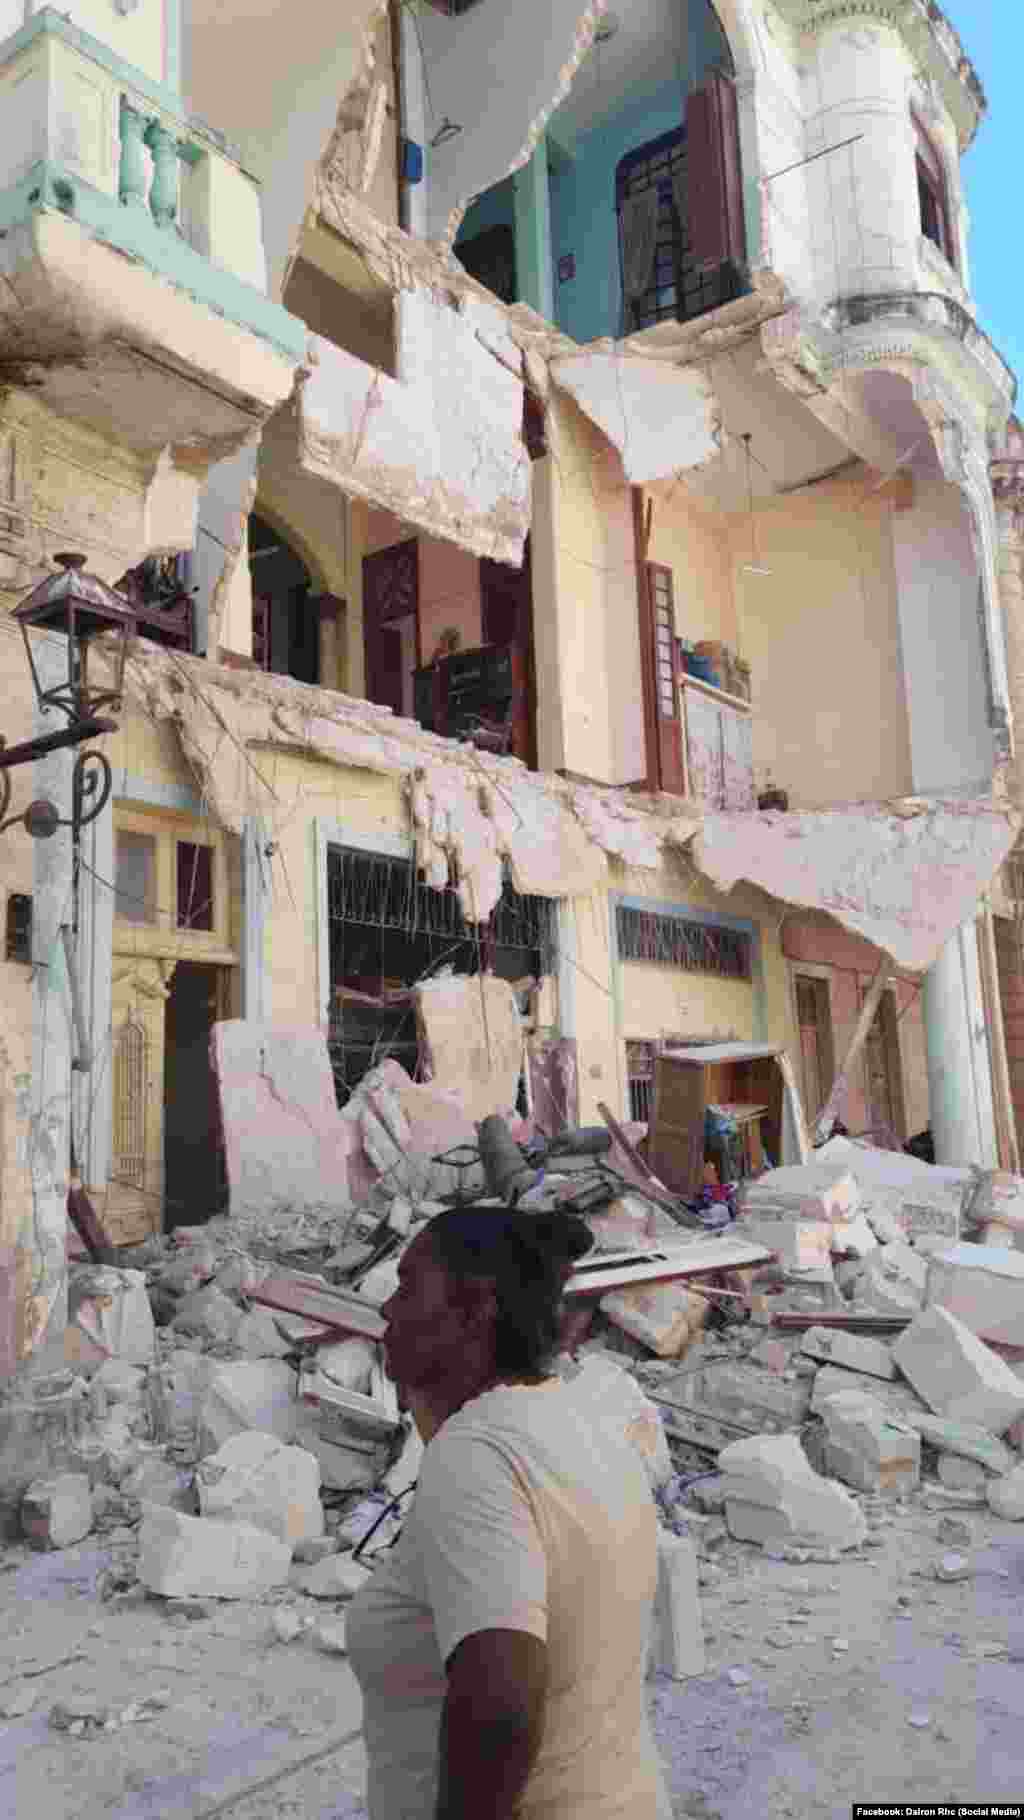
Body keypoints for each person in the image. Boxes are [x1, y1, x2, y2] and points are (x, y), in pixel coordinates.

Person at [345, 1204, 669, 1820]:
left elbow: (501, 1700)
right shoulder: (582, 1421)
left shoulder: (476, 1452)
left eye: (410, 1286)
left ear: (475, 1311)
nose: (388, 1308)